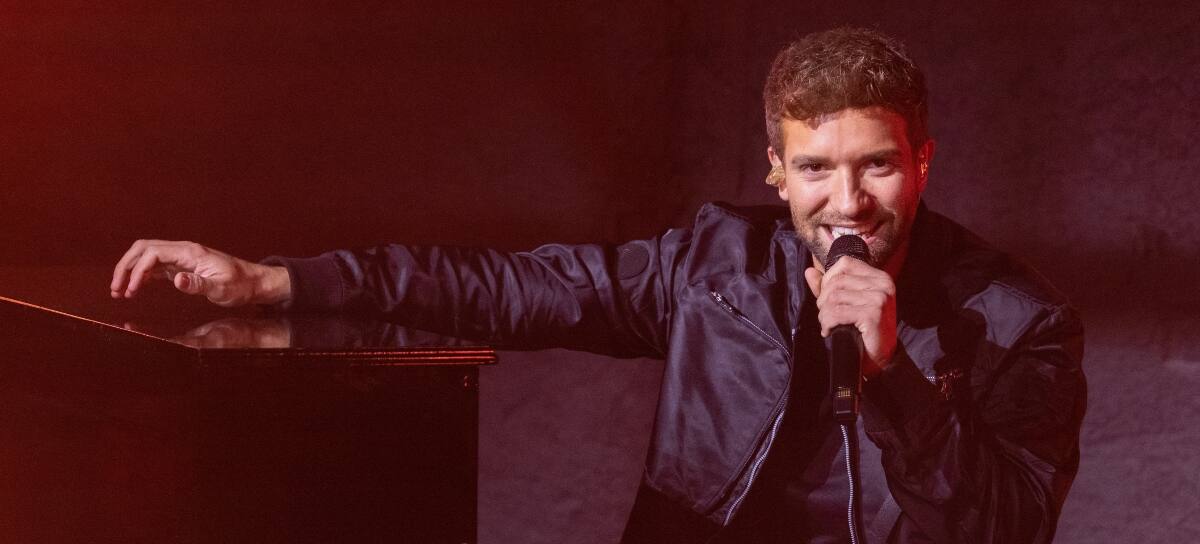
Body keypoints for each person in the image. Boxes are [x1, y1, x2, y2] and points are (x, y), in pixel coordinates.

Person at [110, 27, 1086, 543]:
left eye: (876, 164)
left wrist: (895, 381)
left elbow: (1010, 527)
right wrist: (277, 280)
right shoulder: (713, 269)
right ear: (776, 174)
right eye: (817, 169)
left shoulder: (1018, 322)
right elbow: (499, 286)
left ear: (923, 162)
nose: (849, 200)